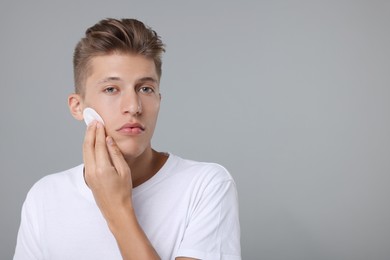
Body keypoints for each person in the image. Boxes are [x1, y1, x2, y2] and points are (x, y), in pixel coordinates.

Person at [14, 18, 241, 260]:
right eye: (111, 89)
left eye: (145, 89)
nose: (133, 107)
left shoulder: (206, 186)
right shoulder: (45, 196)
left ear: (159, 101)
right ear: (78, 107)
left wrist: (117, 210)